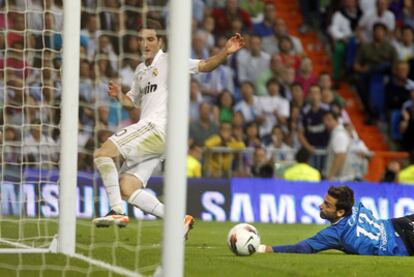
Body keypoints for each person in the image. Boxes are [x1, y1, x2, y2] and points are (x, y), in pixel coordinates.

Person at [92, 19, 245, 236]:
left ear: (160, 41)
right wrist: (119, 95)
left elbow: (204, 65)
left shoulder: (171, 61)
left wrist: (226, 52)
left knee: (102, 154)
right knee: (127, 187)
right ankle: (177, 221)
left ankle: (116, 210)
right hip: (156, 138)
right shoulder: (139, 71)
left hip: (157, 128)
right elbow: (132, 102)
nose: (145, 44)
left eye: (150, 39)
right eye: (141, 39)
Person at [258, 185, 414, 256]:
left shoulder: (336, 233)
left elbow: (302, 248)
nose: (320, 206)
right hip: (398, 223)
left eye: (327, 205)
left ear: (340, 212)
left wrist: (266, 248)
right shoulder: (357, 206)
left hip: (402, 244)